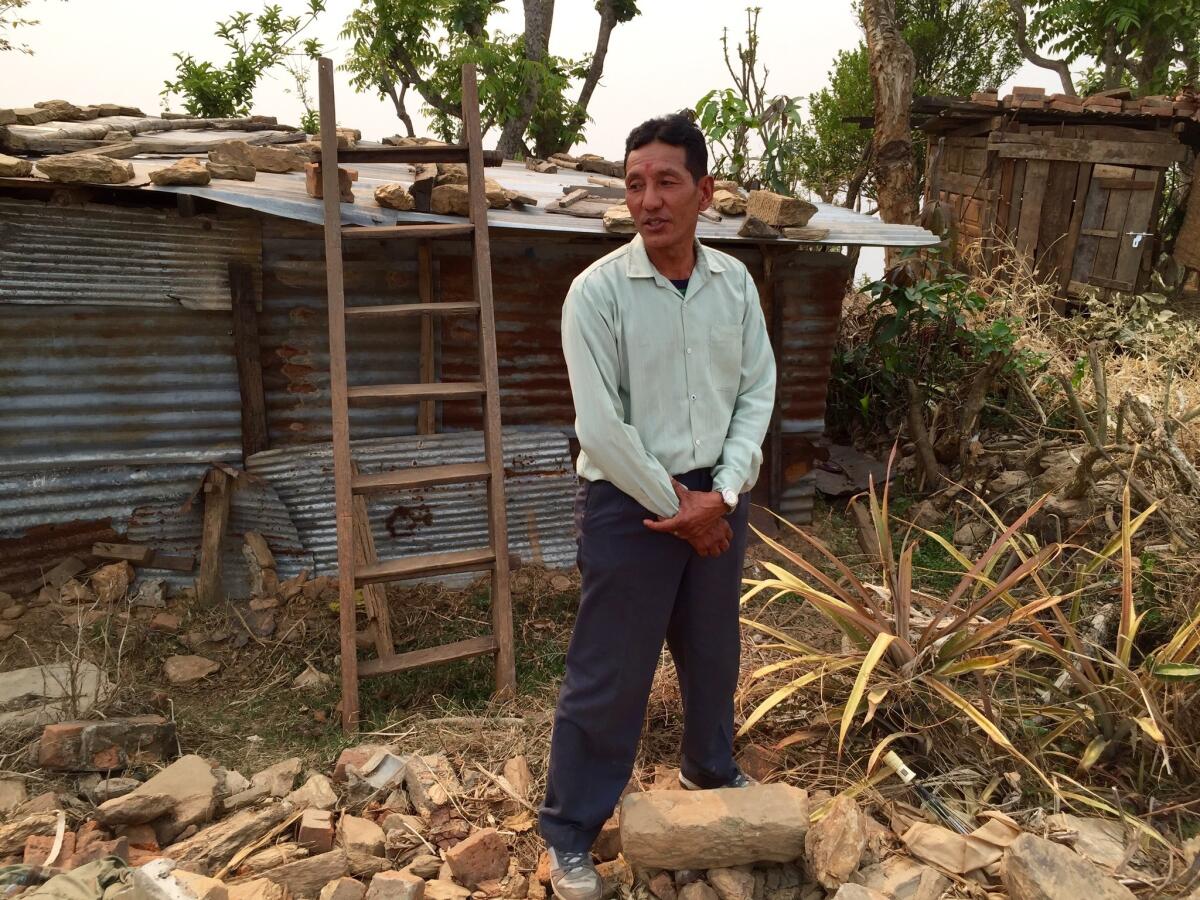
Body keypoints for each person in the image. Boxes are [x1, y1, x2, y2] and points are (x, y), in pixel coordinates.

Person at [538, 113, 778, 900]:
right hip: (629, 507)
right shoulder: (598, 293)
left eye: (667, 181)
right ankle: (570, 832)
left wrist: (725, 494)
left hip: (717, 497)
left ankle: (709, 768)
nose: (648, 199)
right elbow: (600, 428)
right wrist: (680, 505)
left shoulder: (733, 284)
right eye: (635, 183)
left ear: (705, 192)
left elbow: (755, 394)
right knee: (610, 673)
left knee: (713, 653)